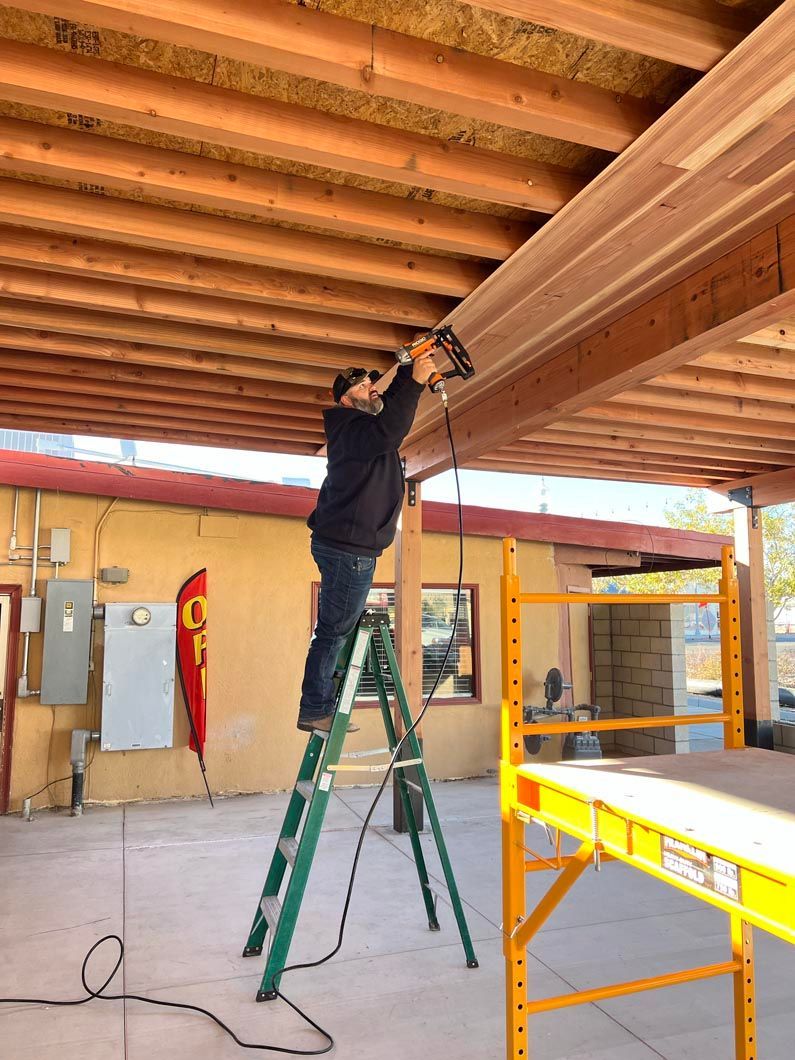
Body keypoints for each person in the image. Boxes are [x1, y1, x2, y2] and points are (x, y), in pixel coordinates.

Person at [297, 353, 438, 733]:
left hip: (349, 548)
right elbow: (390, 430)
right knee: (332, 631)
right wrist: (417, 382)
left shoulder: (361, 428)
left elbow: (388, 409)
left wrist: (410, 371)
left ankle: (325, 700)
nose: (370, 388)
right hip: (347, 551)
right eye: (361, 386)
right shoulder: (351, 429)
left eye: (370, 383)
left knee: (338, 628)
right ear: (345, 399)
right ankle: (315, 709)